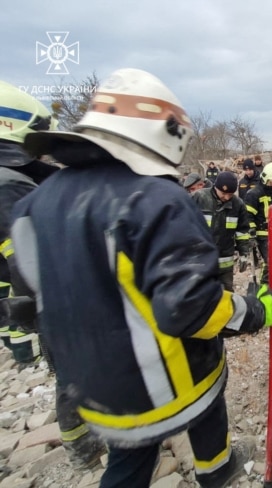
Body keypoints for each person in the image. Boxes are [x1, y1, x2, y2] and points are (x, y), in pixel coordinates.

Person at [10, 68, 272, 488]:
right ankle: (217, 472)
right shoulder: (158, 200)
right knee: (209, 408)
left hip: (95, 384)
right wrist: (260, 310)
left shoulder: (35, 204)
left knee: (128, 464)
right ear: (165, 134)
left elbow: (32, 297)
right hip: (169, 382)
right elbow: (192, 309)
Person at [0, 80, 108, 470]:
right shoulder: (8, 186)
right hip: (58, 303)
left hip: (58, 299)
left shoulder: (19, 181)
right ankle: (83, 447)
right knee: (72, 373)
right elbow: (28, 265)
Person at [192, 171, 250, 292]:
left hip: (225, 263)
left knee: (226, 296)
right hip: (200, 261)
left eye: (230, 194)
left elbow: (242, 231)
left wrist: (244, 253)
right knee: (201, 295)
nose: (227, 197)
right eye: (223, 193)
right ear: (215, 187)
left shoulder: (238, 205)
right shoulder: (198, 198)